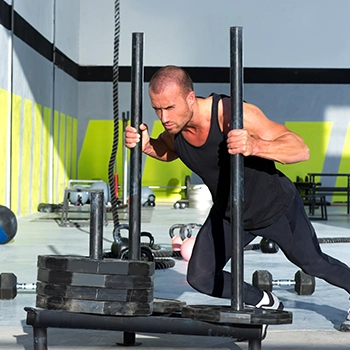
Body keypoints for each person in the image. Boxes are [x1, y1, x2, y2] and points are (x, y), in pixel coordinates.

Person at [125, 65, 350, 329]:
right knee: (201, 277)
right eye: (157, 109)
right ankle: (264, 300)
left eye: (170, 108)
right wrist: (147, 144)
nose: (163, 118)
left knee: (313, 263)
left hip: (275, 208)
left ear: (190, 98)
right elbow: (169, 150)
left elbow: (300, 150)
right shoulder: (175, 129)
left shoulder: (232, 114)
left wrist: (255, 146)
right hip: (229, 214)